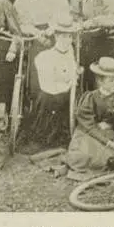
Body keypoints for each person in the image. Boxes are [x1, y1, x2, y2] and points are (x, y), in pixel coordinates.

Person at [65, 57, 114, 178]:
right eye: (110, 81)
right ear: (100, 81)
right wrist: (108, 143)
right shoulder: (91, 97)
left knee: (105, 151)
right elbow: (88, 125)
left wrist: (113, 124)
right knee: (83, 155)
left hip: (109, 132)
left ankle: (109, 159)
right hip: (89, 132)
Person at [20, 16, 78, 151]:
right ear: (56, 37)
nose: (66, 40)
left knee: (68, 98)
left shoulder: (71, 54)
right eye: (63, 36)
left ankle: (60, 135)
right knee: (46, 98)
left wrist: (69, 81)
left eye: (69, 37)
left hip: (66, 92)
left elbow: (72, 76)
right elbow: (47, 83)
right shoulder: (45, 56)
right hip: (50, 92)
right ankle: (41, 137)